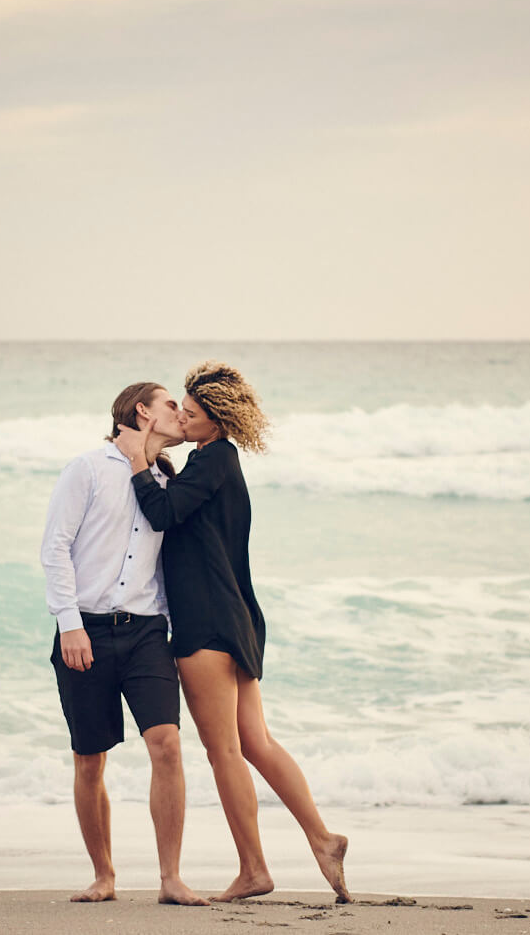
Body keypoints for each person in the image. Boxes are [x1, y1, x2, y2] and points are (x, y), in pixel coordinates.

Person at [115, 361, 351, 904]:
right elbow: (185, 510)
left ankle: (253, 870)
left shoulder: (213, 459)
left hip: (206, 623)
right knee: (254, 744)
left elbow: (163, 514)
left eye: (192, 413)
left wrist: (135, 465)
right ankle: (322, 838)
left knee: (223, 750)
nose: (184, 418)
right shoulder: (214, 462)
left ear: (216, 419)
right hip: (236, 617)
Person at [40, 381, 209, 907]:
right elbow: (55, 547)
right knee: (90, 759)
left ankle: (171, 878)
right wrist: (69, 622)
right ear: (142, 412)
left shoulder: (162, 480)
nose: (181, 414)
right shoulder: (87, 468)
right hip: (85, 631)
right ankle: (104, 876)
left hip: (146, 633)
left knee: (168, 745)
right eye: (170, 406)